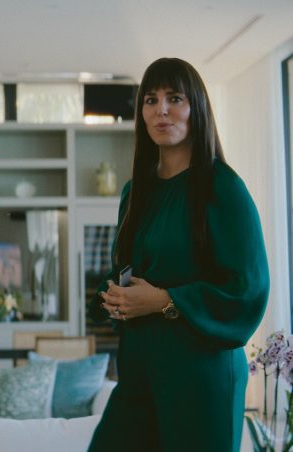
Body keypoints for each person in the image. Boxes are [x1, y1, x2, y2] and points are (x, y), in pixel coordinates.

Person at [87, 57, 269, 452]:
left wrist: (165, 300)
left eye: (175, 98)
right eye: (151, 100)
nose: (161, 110)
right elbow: (128, 269)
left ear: (197, 108)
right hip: (140, 371)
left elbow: (247, 289)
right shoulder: (135, 192)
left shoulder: (222, 187)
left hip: (201, 373)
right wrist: (114, 295)